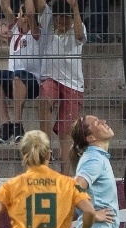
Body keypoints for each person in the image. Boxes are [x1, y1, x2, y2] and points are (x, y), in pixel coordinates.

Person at [37, 0, 86, 176]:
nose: (63, 23)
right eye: (60, 19)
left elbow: (80, 36)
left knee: (67, 135)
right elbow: (40, 5)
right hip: (51, 78)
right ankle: (44, 152)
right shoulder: (48, 24)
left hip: (73, 84)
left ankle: (64, 175)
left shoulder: (78, 27)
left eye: (67, 19)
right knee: (45, 99)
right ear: (54, 18)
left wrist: (74, 7)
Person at [0, 0, 44, 144]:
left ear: (25, 18)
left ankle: (18, 124)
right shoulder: (15, 29)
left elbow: (30, 13)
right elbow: (5, 5)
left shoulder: (36, 32)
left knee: (19, 75)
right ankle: (6, 125)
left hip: (32, 82)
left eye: (20, 15)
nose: (16, 17)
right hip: (13, 79)